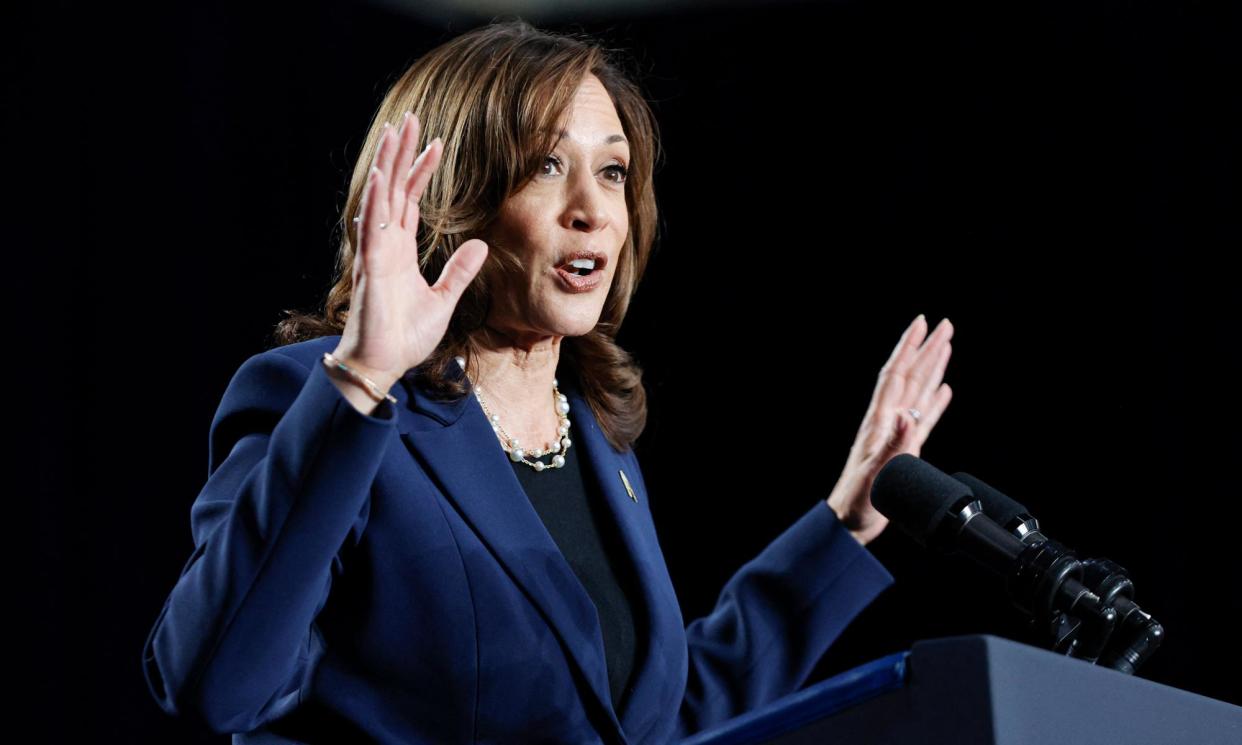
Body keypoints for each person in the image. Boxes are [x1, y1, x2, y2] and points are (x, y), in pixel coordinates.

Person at [140, 18, 954, 745]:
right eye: (546, 166)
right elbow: (213, 686)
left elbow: (651, 721)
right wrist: (359, 379)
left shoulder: (598, 439)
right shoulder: (317, 402)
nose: (590, 208)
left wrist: (845, 523)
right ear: (455, 196)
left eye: (611, 171)